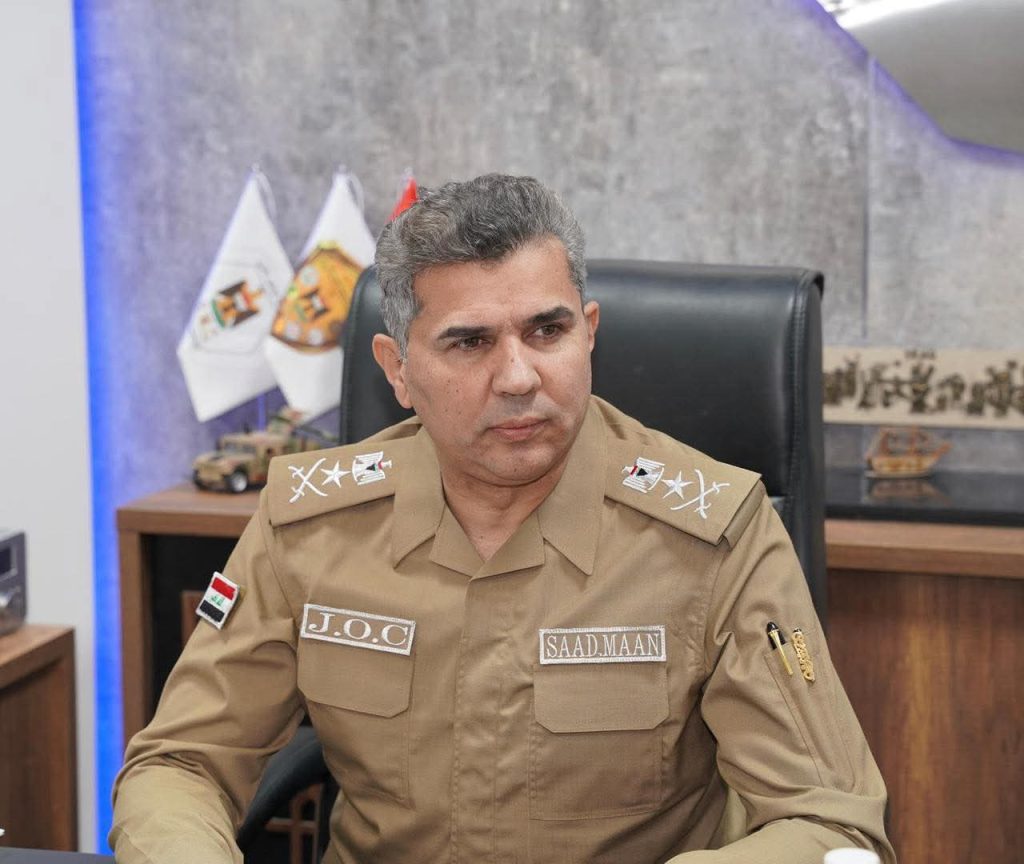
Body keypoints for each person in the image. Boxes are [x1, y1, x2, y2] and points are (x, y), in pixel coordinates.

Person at [111, 174, 895, 864]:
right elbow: (181, 764)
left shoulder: (714, 534)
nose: (519, 376)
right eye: (470, 342)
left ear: (590, 332)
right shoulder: (311, 526)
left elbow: (830, 824)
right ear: (398, 371)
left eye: (547, 331)